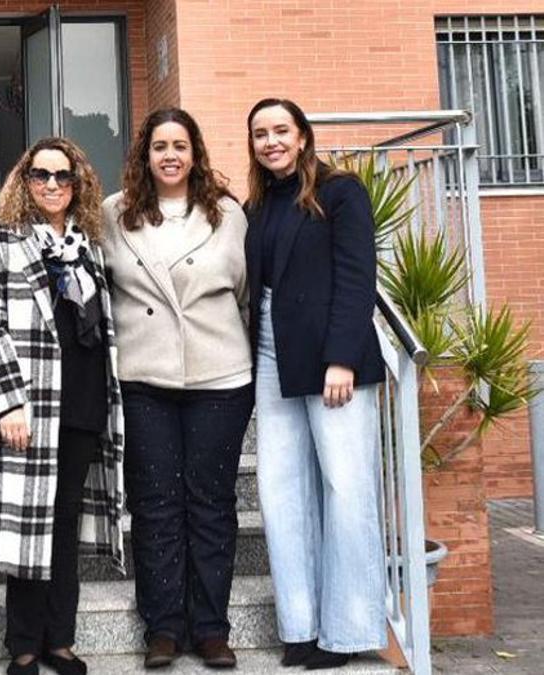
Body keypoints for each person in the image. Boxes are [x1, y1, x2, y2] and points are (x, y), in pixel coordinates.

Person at [100, 107, 254, 670]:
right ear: (144, 155)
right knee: (156, 504)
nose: (169, 155)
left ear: (195, 154)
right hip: (144, 378)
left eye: (180, 146)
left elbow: (242, 288)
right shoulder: (113, 215)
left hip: (219, 375)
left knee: (211, 504)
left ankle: (212, 628)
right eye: (159, 146)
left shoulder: (228, 215)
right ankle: (162, 627)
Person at [0, 137, 124, 675]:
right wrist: (7, 401)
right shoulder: (2, 242)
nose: (52, 185)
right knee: (29, 524)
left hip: (82, 405)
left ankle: (61, 641)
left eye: (63, 176)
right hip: (29, 408)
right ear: (24, 182)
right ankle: (25, 646)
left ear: (78, 183)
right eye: (41, 176)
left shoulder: (90, 246)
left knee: (63, 523)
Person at [244, 98, 387, 670]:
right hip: (273, 352)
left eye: (281, 130)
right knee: (281, 495)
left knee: (346, 491)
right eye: (260, 133)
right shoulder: (257, 205)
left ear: (303, 136)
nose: (271, 141)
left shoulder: (341, 191)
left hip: (332, 356)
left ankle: (347, 631)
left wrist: (342, 358)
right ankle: (299, 627)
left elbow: (357, 276)